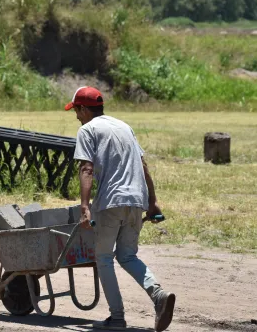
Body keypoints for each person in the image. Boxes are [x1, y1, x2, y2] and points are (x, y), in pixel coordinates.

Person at [65, 86, 176, 331]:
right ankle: (158, 295)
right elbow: (142, 164)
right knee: (127, 256)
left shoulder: (88, 130)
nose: (76, 116)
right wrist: (152, 201)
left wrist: (85, 206)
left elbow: (86, 168)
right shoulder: (124, 127)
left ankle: (117, 318)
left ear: (84, 109)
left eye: (76, 111)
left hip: (111, 201)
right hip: (136, 199)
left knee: (103, 257)